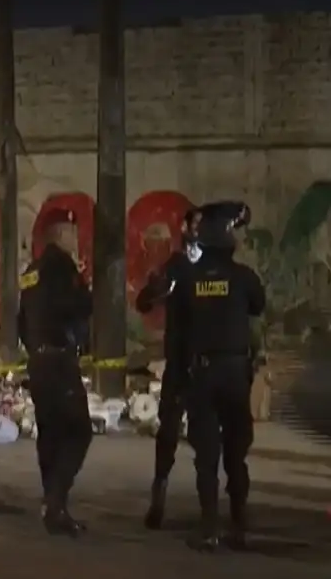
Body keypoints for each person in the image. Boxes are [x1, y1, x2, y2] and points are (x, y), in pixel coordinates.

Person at [173, 210, 265, 552]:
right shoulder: (244, 277)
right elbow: (259, 306)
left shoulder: (189, 279)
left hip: (203, 373)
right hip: (235, 372)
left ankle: (209, 527)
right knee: (236, 454)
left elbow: (179, 328)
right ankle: (238, 527)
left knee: (206, 456)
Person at [17, 208, 93, 537]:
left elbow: (22, 322)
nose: (77, 240)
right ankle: (55, 501)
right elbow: (74, 307)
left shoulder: (31, 271)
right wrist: (85, 290)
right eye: (73, 233)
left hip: (37, 361)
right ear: (62, 235)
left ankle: (52, 505)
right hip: (60, 361)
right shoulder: (63, 267)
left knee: (49, 433)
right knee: (78, 431)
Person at [136, 207, 202, 529]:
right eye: (195, 225)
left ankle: (217, 510)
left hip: (207, 365)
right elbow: (146, 301)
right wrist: (155, 287)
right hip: (181, 363)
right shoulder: (177, 266)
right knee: (169, 433)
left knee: (210, 438)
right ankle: (159, 493)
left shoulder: (220, 267)